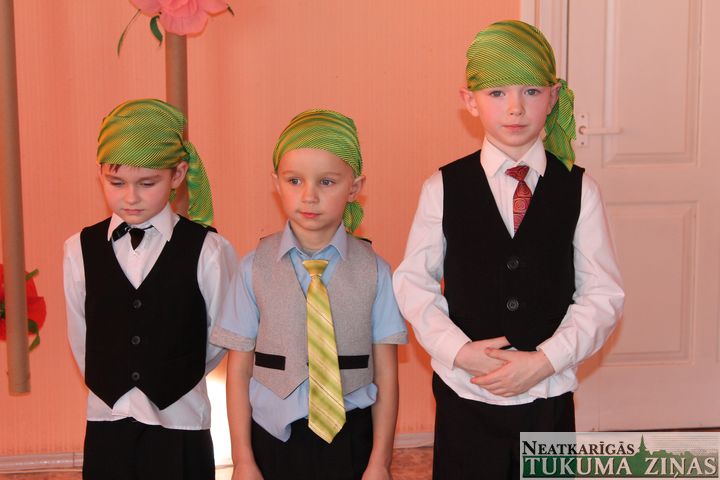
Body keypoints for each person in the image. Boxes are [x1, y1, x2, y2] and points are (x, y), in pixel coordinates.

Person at [392, 20, 625, 479]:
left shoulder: (580, 190)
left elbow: (603, 295)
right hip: (465, 394)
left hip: (547, 395)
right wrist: (459, 351)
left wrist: (546, 360)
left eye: (531, 91)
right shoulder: (442, 188)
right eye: (497, 93)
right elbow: (413, 283)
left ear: (553, 97)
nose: (515, 108)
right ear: (469, 101)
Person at [210, 109, 407, 480]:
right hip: (273, 439)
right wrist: (243, 460)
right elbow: (239, 372)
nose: (309, 196)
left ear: (354, 187)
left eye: (327, 182)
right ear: (277, 183)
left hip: (351, 438)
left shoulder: (376, 271)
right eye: (295, 180)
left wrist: (380, 462)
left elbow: (386, 373)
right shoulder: (253, 268)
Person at [64, 98, 237, 480]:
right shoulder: (78, 249)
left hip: (181, 421)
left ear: (177, 175)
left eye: (147, 183)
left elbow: (218, 337)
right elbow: (81, 335)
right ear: (100, 175)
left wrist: (175, 370)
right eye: (116, 183)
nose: (130, 197)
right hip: (107, 420)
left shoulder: (208, 249)